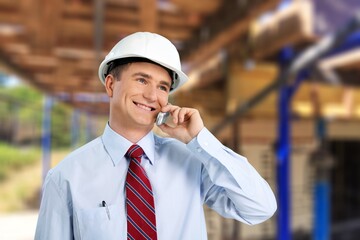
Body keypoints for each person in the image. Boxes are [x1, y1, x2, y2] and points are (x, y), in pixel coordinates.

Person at [35, 32, 277, 240]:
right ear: (110, 85)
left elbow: (260, 208)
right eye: (142, 80)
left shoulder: (190, 161)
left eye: (162, 87)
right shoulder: (66, 177)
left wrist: (200, 140)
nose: (153, 95)